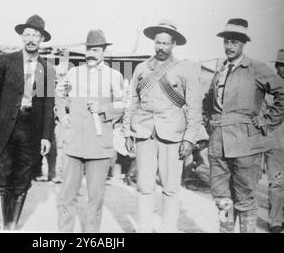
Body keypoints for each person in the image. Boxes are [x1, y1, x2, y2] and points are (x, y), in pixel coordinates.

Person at [203, 18, 284, 233]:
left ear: (243, 44)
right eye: (227, 42)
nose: (229, 47)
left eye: (234, 43)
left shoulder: (256, 68)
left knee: (245, 198)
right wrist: (209, 125)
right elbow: (208, 100)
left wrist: (267, 120)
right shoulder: (220, 69)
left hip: (245, 146)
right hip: (218, 145)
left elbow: (281, 92)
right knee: (223, 199)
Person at [123, 20, 202, 233]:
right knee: (144, 187)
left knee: (170, 189)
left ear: (174, 44)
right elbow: (132, 102)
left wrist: (189, 139)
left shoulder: (185, 69)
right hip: (144, 133)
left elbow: (194, 108)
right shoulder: (141, 69)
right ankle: (144, 229)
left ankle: (168, 230)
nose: (161, 47)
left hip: (173, 136)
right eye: (158, 42)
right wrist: (128, 132)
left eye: (166, 43)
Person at [0, 14, 55, 230]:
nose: (31, 39)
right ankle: (0, 227)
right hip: (5, 128)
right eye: (28, 34)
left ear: (42, 39)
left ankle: (12, 226)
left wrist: (45, 136)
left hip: (30, 129)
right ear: (22, 37)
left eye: (36, 35)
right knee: (0, 176)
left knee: (22, 178)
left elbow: (47, 106)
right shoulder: (5, 61)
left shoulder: (46, 69)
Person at [56, 29, 126, 232]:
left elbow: (122, 106)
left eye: (96, 49)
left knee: (94, 199)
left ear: (104, 51)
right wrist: (62, 114)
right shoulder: (73, 73)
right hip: (74, 144)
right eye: (88, 49)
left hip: (99, 147)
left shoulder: (115, 76)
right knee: (67, 197)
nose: (91, 54)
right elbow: (59, 95)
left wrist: (103, 109)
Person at [264, 49, 284, 233]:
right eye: (282, 65)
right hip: (276, 144)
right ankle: (275, 221)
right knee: (277, 183)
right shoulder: (269, 89)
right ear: (277, 67)